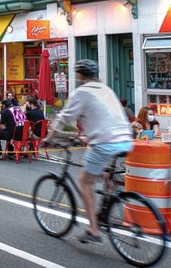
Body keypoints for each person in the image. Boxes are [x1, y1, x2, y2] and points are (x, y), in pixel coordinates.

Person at [47, 59, 133, 244]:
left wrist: (49, 137)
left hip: (105, 142)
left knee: (85, 182)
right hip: (125, 139)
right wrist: (87, 137)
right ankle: (110, 196)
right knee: (99, 169)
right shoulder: (106, 90)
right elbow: (103, 117)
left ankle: (93, 229)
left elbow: (64, 117)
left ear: (80, 75)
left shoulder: (82, 93)